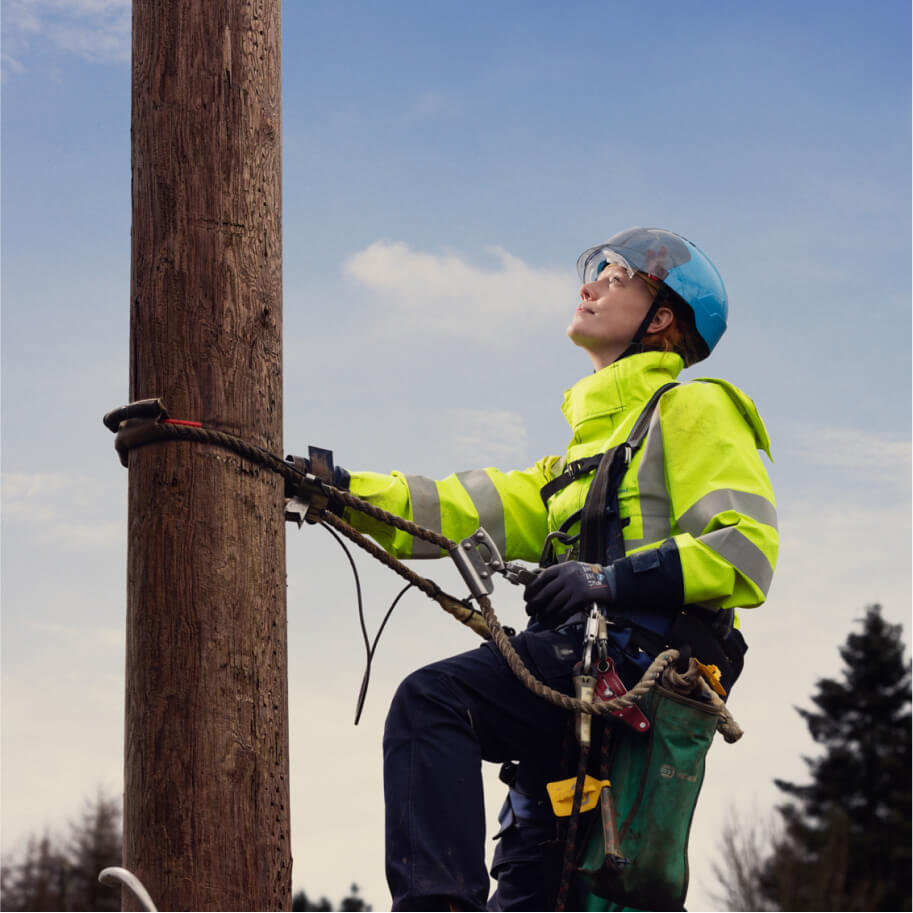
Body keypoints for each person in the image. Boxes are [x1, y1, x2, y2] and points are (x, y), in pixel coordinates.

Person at [323, 228, 778, 910]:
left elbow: (744, 548)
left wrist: (608, 580)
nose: (588, 284)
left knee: (434, 701)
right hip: (582, 696)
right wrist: (338, 489)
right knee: (536, 880)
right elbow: (452, 506)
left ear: (661, 317)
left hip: (634, 662)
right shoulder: (573, 462)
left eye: (616, 275)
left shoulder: (692, 409)